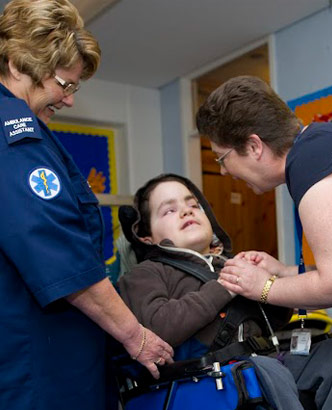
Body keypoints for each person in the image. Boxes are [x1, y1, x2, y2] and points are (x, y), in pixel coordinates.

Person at [0, 1, 173, 409]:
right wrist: (136, 336)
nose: (69, 100)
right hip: (42, 365)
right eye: (65, 84)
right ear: (19, 67)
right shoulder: (14, 136)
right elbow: (58, 253)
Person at [118, 173, 332, 410]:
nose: (186, 210)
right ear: (146, 236)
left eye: (194, 204)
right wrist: (224, 286)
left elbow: (277, 320)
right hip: (203, 379)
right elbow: (159, 327)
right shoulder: (145, 274)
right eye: (169, 210)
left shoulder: (231, 263)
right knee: (264, 370)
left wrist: (266, 281)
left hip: (265, 362)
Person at [195, 75, 332, 314]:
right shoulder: (321, 146)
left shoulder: (313, 157)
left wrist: (263, 287)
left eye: (222, 158)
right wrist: (284, 273)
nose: (223, 171)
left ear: (254, 146)